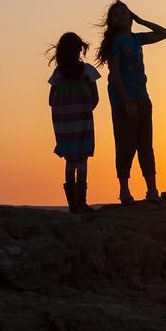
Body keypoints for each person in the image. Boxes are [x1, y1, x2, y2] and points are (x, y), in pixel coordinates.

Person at [97, 0, 166, 204]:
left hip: (142, 98)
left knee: (145, 144)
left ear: (130, 17)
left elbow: (165, 33)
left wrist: (141, 20)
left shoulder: (137, 39)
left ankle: (152, 189)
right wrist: (127, 102)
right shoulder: (114, 43)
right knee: (124, 144)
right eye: (116, 14)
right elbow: (115, 74)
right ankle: (124, 190)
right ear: (111, 21)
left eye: (124, 12)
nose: (121, 15)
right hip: (123, 101)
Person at [47, 32, 101, 213]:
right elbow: (96, 98)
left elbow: (50, 100)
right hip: (83, 121)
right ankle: (81, 203)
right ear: (80, 49)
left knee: (70, 161)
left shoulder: (58, 74)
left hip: (64, 126)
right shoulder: (87, 71)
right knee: (82, 160)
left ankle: (72, 205)